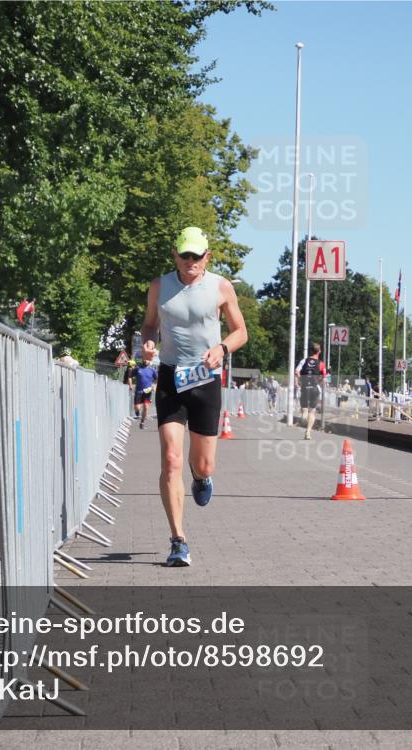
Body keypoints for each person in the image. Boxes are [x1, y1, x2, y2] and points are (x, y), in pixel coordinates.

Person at [140, 226, 248, 567]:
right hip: (171, 377)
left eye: (196, 255)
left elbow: (241, 332)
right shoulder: (159, 286)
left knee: (203, 464)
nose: (190, 261)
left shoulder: (221, 287)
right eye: (184, 254)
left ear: (207, 257)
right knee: (171, 459)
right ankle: (178, 540)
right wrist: (148, 343)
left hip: (205, 378)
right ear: (175, 255)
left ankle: (201, 477)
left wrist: (222, 348)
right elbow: (149, 324)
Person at [295, 342, 326, 440]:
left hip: (305, 388)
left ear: (311, 351)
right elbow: (324, 378)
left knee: (304, 410)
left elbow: (296, 372)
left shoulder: (304, 360)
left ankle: (304, 418)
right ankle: (308, 432)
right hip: (315, 389)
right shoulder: (321, 364)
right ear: (319, 351)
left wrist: (300, 380)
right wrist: (319, 384)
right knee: (312, 411)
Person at [131, 359, 157, 429]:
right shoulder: (138, 368)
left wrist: (154, 386)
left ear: (150, 361)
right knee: (137, 408)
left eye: (147, 360)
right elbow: (130, 376)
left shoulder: (152, 370)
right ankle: (137, 411)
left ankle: (142, 422)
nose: (146, 361)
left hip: (147, 392)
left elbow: (156, 379)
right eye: (145, 359)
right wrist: (130, 384)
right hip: (138, 391)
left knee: (146, 407)